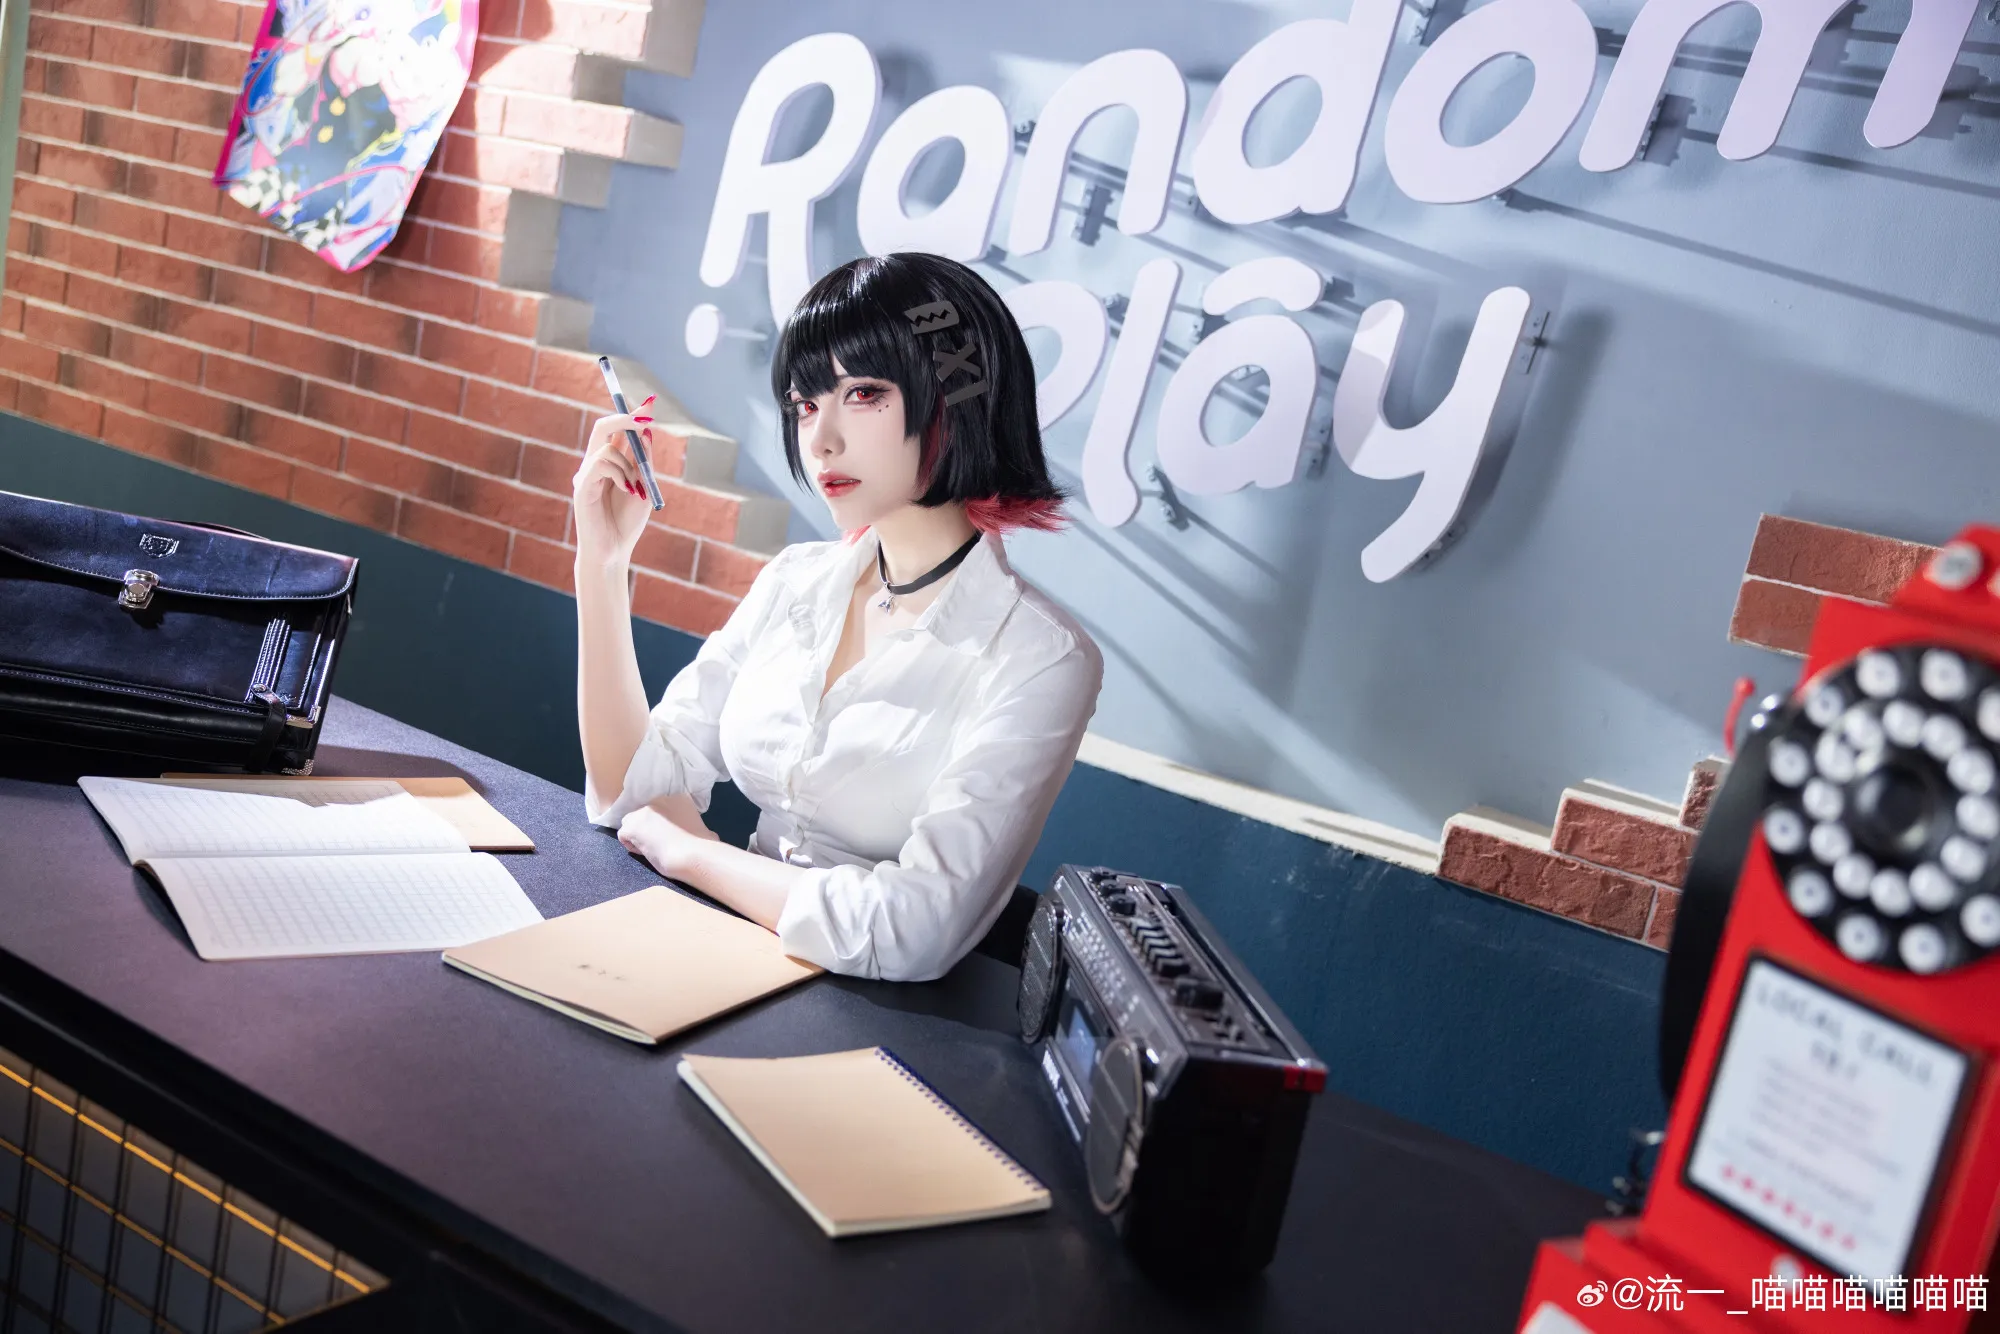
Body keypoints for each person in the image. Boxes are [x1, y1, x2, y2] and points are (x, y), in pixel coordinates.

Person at [570, 253, 1104, 982]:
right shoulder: (796, 581)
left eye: (864, 393)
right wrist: (602, 565)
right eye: (804, 404)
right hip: (716, 961)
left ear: (956, 401)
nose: (819, 439)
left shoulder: (1041, 657)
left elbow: (915, 932)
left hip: (877, 1022)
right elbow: (631, 793)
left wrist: (696, 855)